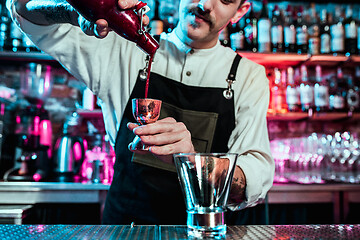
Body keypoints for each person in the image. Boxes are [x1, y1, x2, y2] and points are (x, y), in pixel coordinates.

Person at [7, 0, 274, 225]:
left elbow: (257, 172)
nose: (205, 4)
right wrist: (73, 10)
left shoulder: (247, 77)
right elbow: (23, 12)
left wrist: (194, 162)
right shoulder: (122, 49)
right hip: (125, 229)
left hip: (201, 231)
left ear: (241, 11)